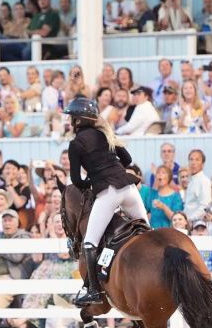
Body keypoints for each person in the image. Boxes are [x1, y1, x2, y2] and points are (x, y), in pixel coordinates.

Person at [62, 98, 149, 306]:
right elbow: (127, 160)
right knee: (147, 231)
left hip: (109, 192)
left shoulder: (75, 144)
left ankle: (92, 290)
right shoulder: (105, 133)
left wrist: (91, 180)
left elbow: (76, 181)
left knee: (90, 242)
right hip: (129, 188)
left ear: (77, 121)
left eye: (71, 118)